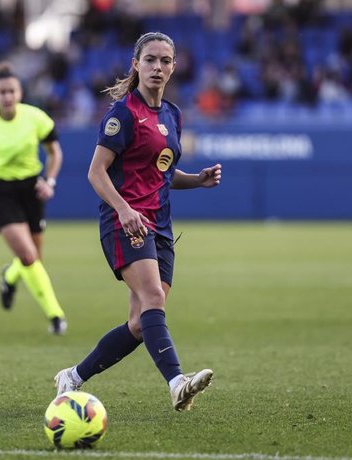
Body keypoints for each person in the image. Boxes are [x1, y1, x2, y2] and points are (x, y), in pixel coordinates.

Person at [53, 32, 222, 412]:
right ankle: (178, 382)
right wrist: (124, 209)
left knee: (139, 323)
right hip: (124, 222)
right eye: (150, 60)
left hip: (160, 227)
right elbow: (96, 172)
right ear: (136, 64)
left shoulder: (173, 115)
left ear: (174, 66)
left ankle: (73, 377)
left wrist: (198, 180)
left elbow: (163, 172)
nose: (157, 67)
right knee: (154, 300)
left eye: (165, 60)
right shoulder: (123, 114)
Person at [0, 62, 67, 335]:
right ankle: (56, 316)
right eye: (2, 92)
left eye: (12, 91)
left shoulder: (36, 117)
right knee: (29, 256)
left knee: (34, 258)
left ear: (20, 93)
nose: (7, 96)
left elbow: (55, 152)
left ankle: (9, 276)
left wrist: (50, 181)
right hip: (0, 191)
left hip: (31, 189)